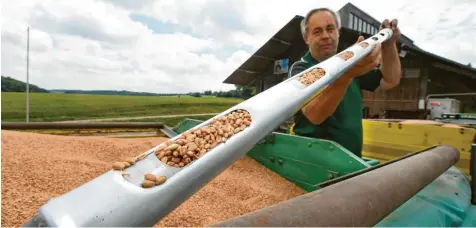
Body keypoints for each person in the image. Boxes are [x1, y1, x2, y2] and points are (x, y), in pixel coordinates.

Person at [287, 8, 402, 157]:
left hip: (351, 158)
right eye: (317, 31)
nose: (325, 36)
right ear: (306, 38)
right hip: (312, 161)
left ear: (338, 32)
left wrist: (389, 44)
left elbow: (390, 80)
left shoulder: (350, 62)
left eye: (330, 29)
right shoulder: (302, 69)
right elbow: (314, 115)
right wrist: (347, 74)